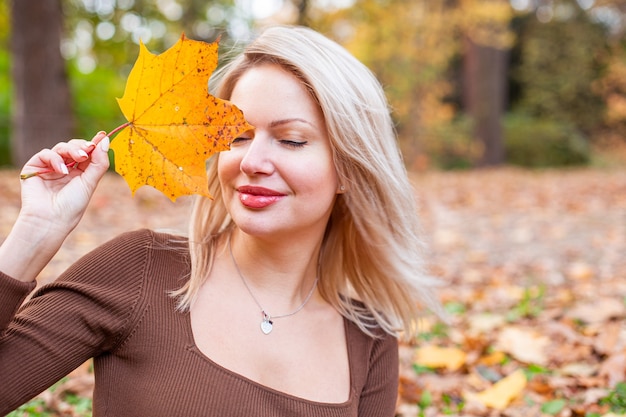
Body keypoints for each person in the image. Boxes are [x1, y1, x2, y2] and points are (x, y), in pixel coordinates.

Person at [0, 25, 441, 416]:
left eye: (290, 140)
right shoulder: (139, 271)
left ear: (348, 167)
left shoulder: (369, 339)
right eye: (238, 135)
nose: (253, 161)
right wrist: (35, 232)